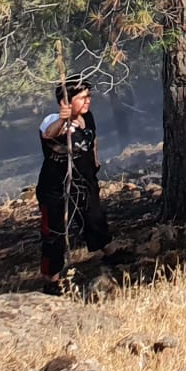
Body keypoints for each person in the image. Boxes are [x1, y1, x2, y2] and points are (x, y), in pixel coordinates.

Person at [37, 78, 111, 286]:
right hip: (55, 188)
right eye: (82, 97)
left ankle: (109, 252)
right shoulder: (53, 121)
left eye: (89, 96)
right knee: (54, 232)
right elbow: (49, 134)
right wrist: (63, 120)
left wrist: (95, 158)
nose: (88, 101)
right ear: (66, 102)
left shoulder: (88, 117)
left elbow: (92, 138)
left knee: (95, 217)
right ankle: (51, 280)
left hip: (85, 181)